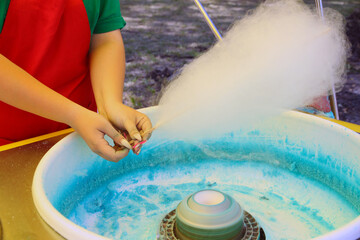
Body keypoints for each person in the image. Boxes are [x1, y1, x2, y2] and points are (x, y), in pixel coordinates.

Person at [0, 0, 152, 162]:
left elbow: (105, 37)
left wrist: (110, 104)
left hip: (77, 136)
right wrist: (74, 115)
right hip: (7, 145)